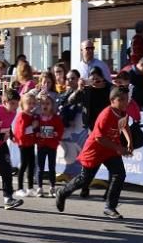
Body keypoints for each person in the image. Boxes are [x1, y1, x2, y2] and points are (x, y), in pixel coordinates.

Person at [55, 87, 133, 220]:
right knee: (84, 180)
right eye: (121, 100)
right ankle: (62, 192)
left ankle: (110, 207)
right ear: (112, 100)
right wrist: (119, 148)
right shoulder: (106, 114)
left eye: (126, 99)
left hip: (110, 150)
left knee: (119, 174)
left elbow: (124, 125)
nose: (125, 102)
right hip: (95, 150)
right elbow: (99, 138)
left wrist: (129, 141)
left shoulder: (122, 112)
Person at [35, 95, 64, 197]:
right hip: (41, 145)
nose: (45, 106)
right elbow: (34, 129)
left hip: (52, 146)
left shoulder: (56, 118)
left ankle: (52, 187)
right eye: (43, 103)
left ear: (52, 105)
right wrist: (37, 134)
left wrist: (56, 134)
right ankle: (40, 187)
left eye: (48, 103)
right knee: (40, 167)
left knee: (52, 167)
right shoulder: (37, 118)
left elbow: (60, 129)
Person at [11, 94, 38, 198]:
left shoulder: (32, 115)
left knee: (31, 165)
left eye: (33, 103)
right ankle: (19, 188)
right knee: (23, 165)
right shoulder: (22, 115)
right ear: (22, 104)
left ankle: (30, 187)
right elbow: (21, 132)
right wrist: (33, 127)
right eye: (29, 103)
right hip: (23, 144)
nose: (31, 105)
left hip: (31, 143)